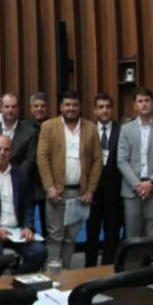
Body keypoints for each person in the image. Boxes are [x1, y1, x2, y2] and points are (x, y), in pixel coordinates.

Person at [36, 91, 101, 266]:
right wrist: (49, 187)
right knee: (55, 236)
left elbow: (97, 160)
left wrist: (90, 189)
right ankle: (52, 275)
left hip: (80, 194)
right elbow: (42, 158)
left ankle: (65, 273)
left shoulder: (90, 128)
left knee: (71, 237)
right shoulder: (49, 127)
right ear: (61, 107)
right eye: (67, 105)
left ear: (80, 106)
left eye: (74, 105)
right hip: (56, 192)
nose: (71, 108)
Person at [0, 134, 48, 271]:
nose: (2, 153)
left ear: (11, 152)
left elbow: (28, 205)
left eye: (6, 149)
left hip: (17, 231)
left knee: (40, 252)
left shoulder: (21, 174)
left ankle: (16, 281)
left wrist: (28, 226)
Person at [117, 86, 153, 239]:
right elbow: (121, 160)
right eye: (140, 101)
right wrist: (138, 185)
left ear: (152, 103)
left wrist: (152, 182)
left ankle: (152, 262)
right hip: (131, 189)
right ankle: (132, 263)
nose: (144, 104)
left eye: (147, 100)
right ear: (135, 106)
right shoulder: (126, 129)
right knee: (132, 234)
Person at [85, 93, 123, 266]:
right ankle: (89, 268)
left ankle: (108, 268)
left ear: (112, 109)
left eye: (108, 106)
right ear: (95, 110)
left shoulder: (122, 130)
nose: (105, 110)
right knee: (91, 234)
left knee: (112, 233)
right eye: (101, 107)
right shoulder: (87, 130)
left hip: (114, 192)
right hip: (91, 193)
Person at [0, 93, 39, 181]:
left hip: (19, 181)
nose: (10, 110)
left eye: (13, 107)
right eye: (7, 107)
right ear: (1, 108)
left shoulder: (30, 132)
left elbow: (31, 160)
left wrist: (14, 175)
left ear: (18, 109)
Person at [26, 92, 51, 236]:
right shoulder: (23, 127)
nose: (39, 109)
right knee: (28, 223)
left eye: (42, 106)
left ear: (47, 108)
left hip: (47, 183)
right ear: (31, 108)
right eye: (36, 106)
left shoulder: (53, 126)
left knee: (48, 223)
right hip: (28, 182)